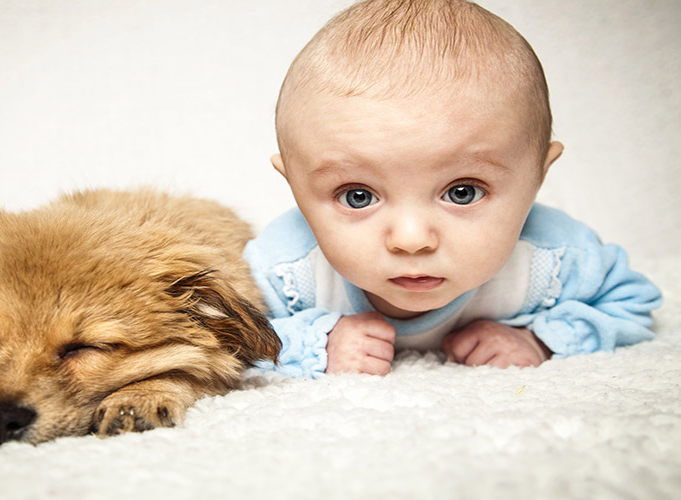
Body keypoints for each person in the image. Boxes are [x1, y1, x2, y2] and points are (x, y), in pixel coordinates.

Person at [243, 0, 662, 379]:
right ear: (295, 186)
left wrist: (539, 340)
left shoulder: (553, 258)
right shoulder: (286, 269)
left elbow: (631, 301)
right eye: (358, 196)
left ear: (538, 174)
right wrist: (315, 343)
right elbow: (225, 337)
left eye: (463, 192)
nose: (411, 240)